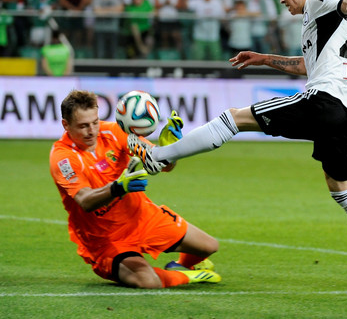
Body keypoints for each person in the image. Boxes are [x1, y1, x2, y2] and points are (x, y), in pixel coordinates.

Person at [128, 0, 347, 298]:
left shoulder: (320, 1)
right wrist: (264, 59)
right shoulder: (317, 22)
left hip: (323, 101)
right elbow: (306, 66)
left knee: (235, 117)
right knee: (342, 189)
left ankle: (158, 156)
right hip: (344, 110)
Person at [50, 90, 221, 289]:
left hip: (142, 217)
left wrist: (170, 151)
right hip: (105, 239)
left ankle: (181, 266)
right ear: (66, 125)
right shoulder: (62, 158)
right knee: (147, 281)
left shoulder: (114, 132)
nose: (92, 130)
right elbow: (85, 201)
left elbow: (163, 165)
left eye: (95, 122)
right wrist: (118, 188)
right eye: (83, 126)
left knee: (210, 246)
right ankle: (187, 277)